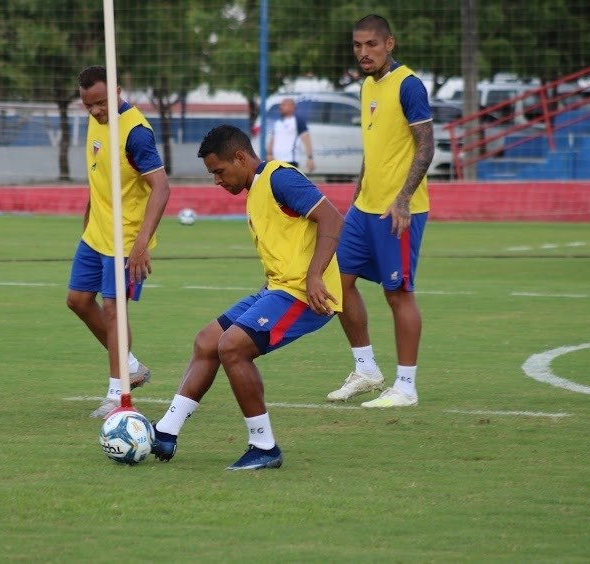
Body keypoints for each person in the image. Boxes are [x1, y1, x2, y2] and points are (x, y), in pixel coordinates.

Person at [151, 124, 343, 470]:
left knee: (232, 347)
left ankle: (264, 446)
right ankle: (165, 432)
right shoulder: (254, 190)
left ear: (240, 158)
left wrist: (315, 276)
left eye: (219, 171)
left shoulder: (280, 178)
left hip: (305, 295)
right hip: (279, 289)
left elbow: (332, 218)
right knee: (208, 340)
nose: (217, 181)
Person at [326, 14, 434, 408]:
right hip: (364, 208)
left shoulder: (408, 85)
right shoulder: (367, 86)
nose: (363, 52)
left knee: (398, 294)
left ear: (390, 44)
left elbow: (426, 146)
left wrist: (403, 198)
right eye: (357, 45)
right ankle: (367, 369)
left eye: (371, 44)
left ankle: (406, 387)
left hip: (397, 211)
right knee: (337, 280)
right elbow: (375, 149)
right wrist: (356, 196)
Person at [66, 65, 170, 418]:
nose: (95, 111)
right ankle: (131, 366)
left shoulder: (136, 133)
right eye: (88, 105)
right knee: (78, 301)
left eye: (100, 103)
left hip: (125, 238)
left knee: (113, 310)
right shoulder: (95, 120)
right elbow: (99, 177)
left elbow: (161, 187)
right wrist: (86, 221)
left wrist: (141, 244)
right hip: (95, 233)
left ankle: (118, 394)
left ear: (118, 91)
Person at [265, 97, 315, 173]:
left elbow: (306, 140)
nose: (281, 107)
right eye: (281, 105)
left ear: (292, 107)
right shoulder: (278, 122)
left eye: (284, 105)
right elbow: (272, 139)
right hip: (276, 161)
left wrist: (310, 158)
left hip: (290, 161)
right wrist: (269, 154)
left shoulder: (298, 121)